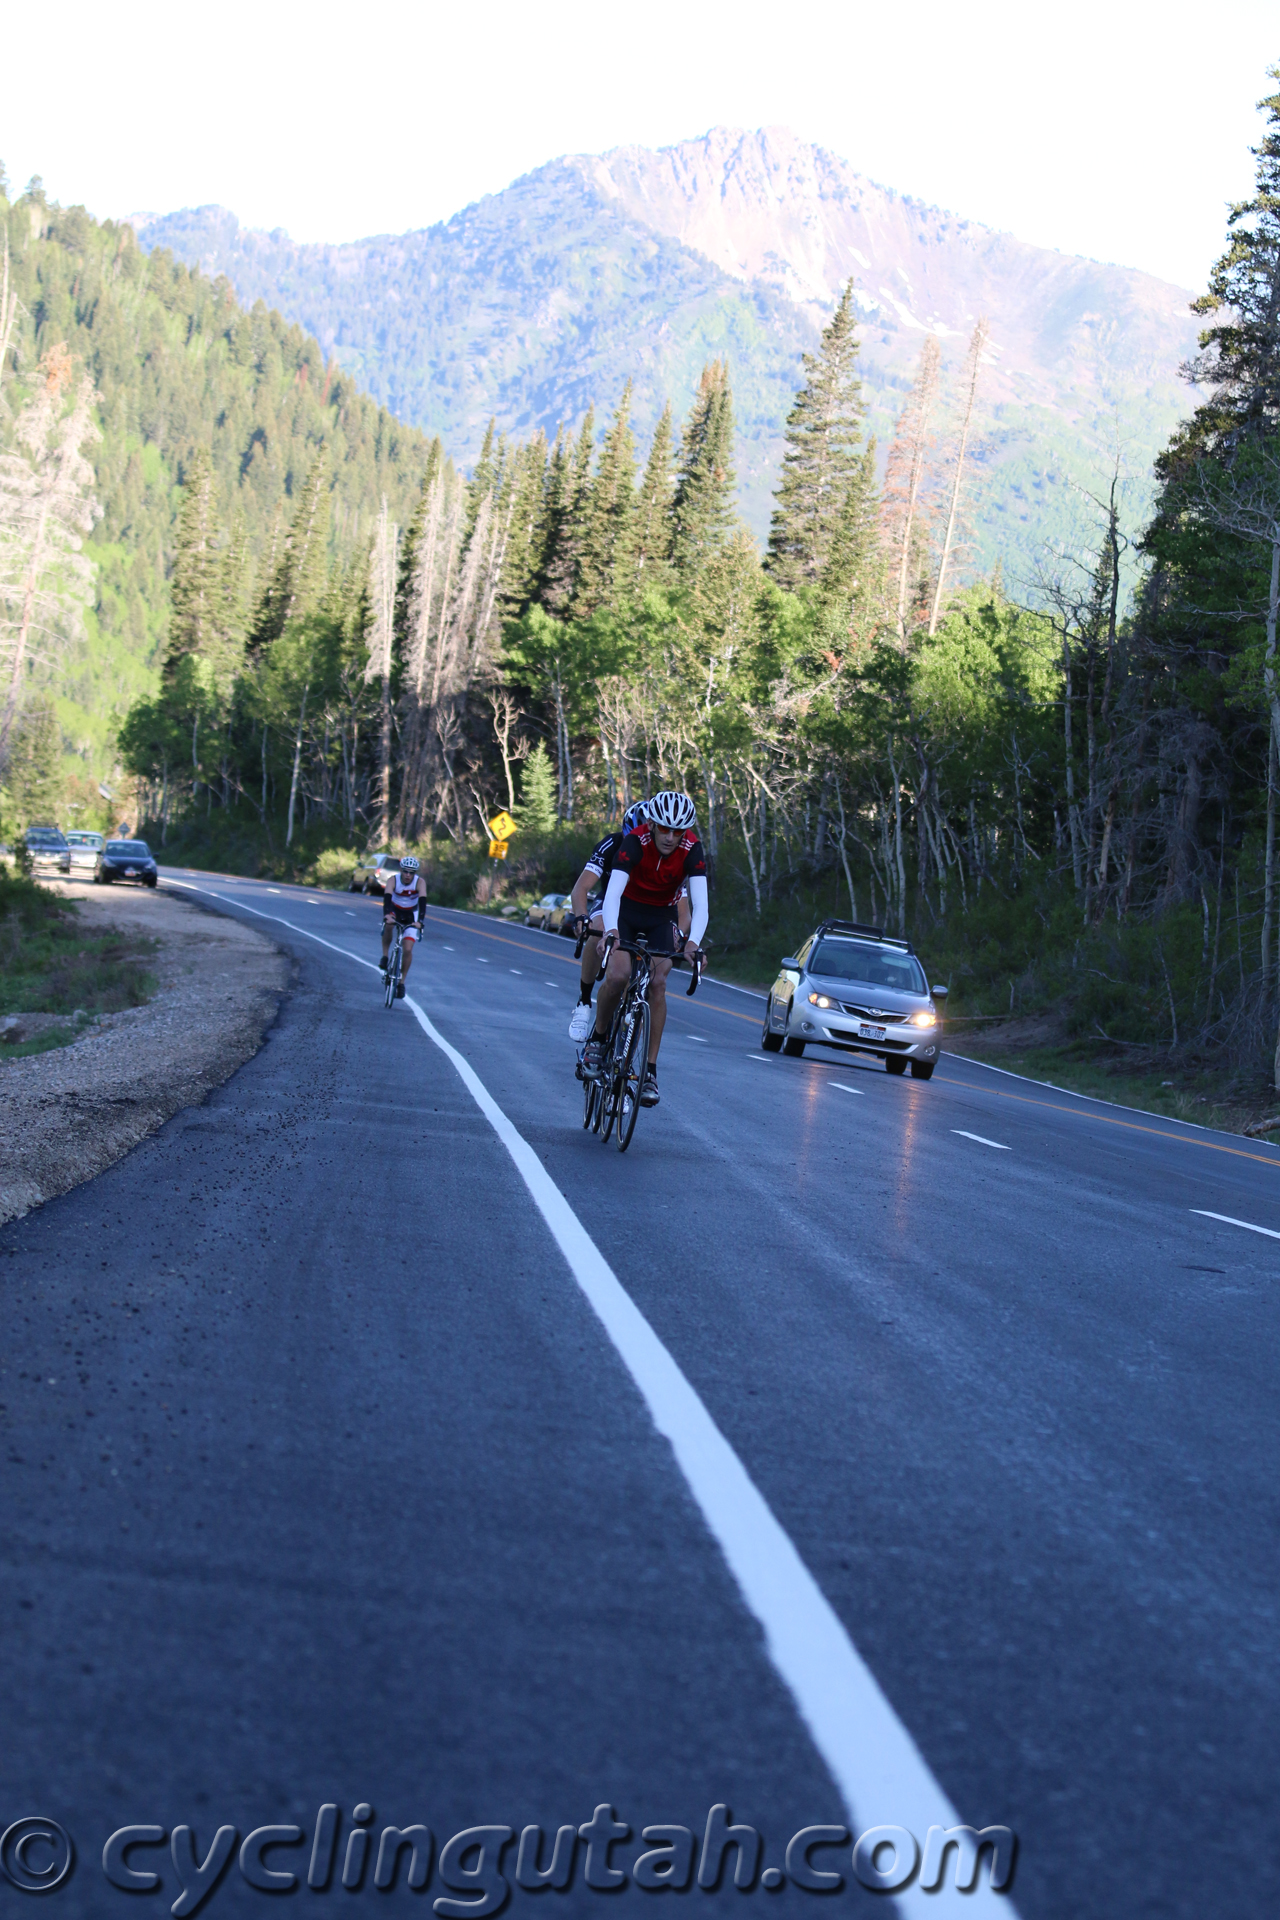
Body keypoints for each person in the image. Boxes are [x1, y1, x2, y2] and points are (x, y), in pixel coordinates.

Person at [583, 789, 708, 1108]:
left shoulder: (693, 849)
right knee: (619, 975)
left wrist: (693, 943)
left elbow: (700, 905)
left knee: (658, 982)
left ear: (686, 831)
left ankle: (649, 1071)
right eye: (664, 829)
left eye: (677, 831)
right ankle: (597, 1039)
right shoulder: (634, 843)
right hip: (625, 910)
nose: (670, 837)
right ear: (651, 824)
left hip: (661, 915)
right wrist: (610, 930)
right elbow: (611, 896)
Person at [566, 800, 649, 1046]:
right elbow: (581, 888)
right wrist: (581, 916)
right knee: (597, 929)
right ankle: (584, 1000)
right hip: (610, 900)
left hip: (644, 908)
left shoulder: (664, 852)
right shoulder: (611, 844)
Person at [379, 854, 427, 996]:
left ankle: (401, 983)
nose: (407, 875)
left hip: (411, 913)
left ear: (415, 873)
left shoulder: (420, 883)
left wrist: (420, 922)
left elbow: (423, 902)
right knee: (389, 925)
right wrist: (387, 914)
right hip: (395, 909)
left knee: (407, 949)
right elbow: (387, 898)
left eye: (411, 872)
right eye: (405, 871)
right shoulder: (392, 880)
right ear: (401, 870)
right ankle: (385, 956)